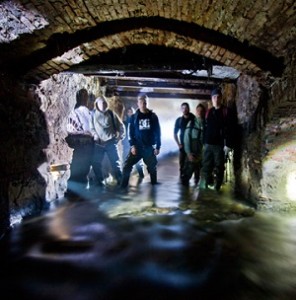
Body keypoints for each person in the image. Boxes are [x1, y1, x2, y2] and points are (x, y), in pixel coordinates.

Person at [120, 94, 161, 189]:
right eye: (141, 102)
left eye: (145, 102)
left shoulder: (153, 116)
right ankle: (122, 187)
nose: (143, 104)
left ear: (147, 103)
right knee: (127, 166)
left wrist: (158, 146)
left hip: (148, 147)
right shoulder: (133, 117)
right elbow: (130, 133)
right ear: (137, 103)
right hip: (137, 147)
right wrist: (132, 146)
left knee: (152, 168)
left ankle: (154, 188)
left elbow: (158, 132)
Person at [201, 88, 237, 192]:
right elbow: (206, 128)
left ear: (221, 98)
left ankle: (217, 186)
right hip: (208, 144)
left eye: (218, 97)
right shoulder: (209, 112)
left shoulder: (226, 112)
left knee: (219, 166)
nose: (216, 99)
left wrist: (228, 144)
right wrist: (204, 142)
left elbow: (231, 128)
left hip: (219, 145)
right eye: (214, 97)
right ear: (211, 99)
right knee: (206, 165)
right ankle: (207, 184)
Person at [90, 95, 125, 186]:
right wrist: (96, 136)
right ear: (97, 104)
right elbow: (91, 128)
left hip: (111, 142)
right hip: (99, 144)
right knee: (96, 163)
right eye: (102, 103)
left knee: (115, 162)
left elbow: (121, 126)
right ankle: (100, 181)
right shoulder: (93, 114)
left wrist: (120, 137)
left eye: (105, 103)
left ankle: (120, 181)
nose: (104, 105)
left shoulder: (111, 114)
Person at [66, 88, 93, 185]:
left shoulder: (89, 113)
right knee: (77, 167)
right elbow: (70, 130)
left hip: (87, 145)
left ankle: (80, 190)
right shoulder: (75, 113)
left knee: (85, 168)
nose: (84, 99)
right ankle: (74, 190)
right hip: (80, 145)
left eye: (85, 96)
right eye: (82, 96)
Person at [182, 103, 206, 187]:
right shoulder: (191, 123)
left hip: (201, 154)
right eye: (198, 110)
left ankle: (198, 198)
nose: (199, 112)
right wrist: (188, 153)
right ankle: (184, 196)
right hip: (192, 153)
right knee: (186, 176)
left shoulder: (206, 124)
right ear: (196, 112)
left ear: (204, 112)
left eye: (201, 111)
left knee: (198, 178)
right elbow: (186, 139)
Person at [173, 102, 195, 182]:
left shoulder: (194, 119)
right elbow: (175, 133)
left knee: (193, 163)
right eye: (183, 108)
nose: (184, 110)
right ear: (181, 109)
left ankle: (195, 179)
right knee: (182, 163)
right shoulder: (179, 120)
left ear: (189, 109)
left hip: (192, 146)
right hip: (182, 145)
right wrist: (178, 144)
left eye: (186, 108)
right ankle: (183, 180)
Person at [122, 106, 144, 178]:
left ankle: (141, 174)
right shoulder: (125, 122)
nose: (130, 113)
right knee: (127, 160)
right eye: (128, 112)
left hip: (135, 143)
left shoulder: (137, 121)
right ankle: (126, 177)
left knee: (136, 160)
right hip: (126, 144)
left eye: (131, 111)